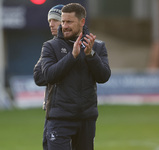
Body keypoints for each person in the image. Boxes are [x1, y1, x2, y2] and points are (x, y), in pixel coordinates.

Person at [37, 3, 111, 150]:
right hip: (59, 119)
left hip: (86, 119)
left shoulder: (97, 46)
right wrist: (72, 56)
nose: (64, 26)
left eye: (69, 22)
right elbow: (48, 76)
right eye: (63, 21)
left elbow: (104, 76)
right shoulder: (50, 46)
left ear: (82, 22)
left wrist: (90, 55)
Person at [33, 4, 64, 150]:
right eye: (49, 20)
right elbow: (39, 76)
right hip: (51, 111)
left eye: (55, 20)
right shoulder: (49, 47)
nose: (51, 24)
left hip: (71, 112)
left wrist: (53, 71)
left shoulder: (78, 45)